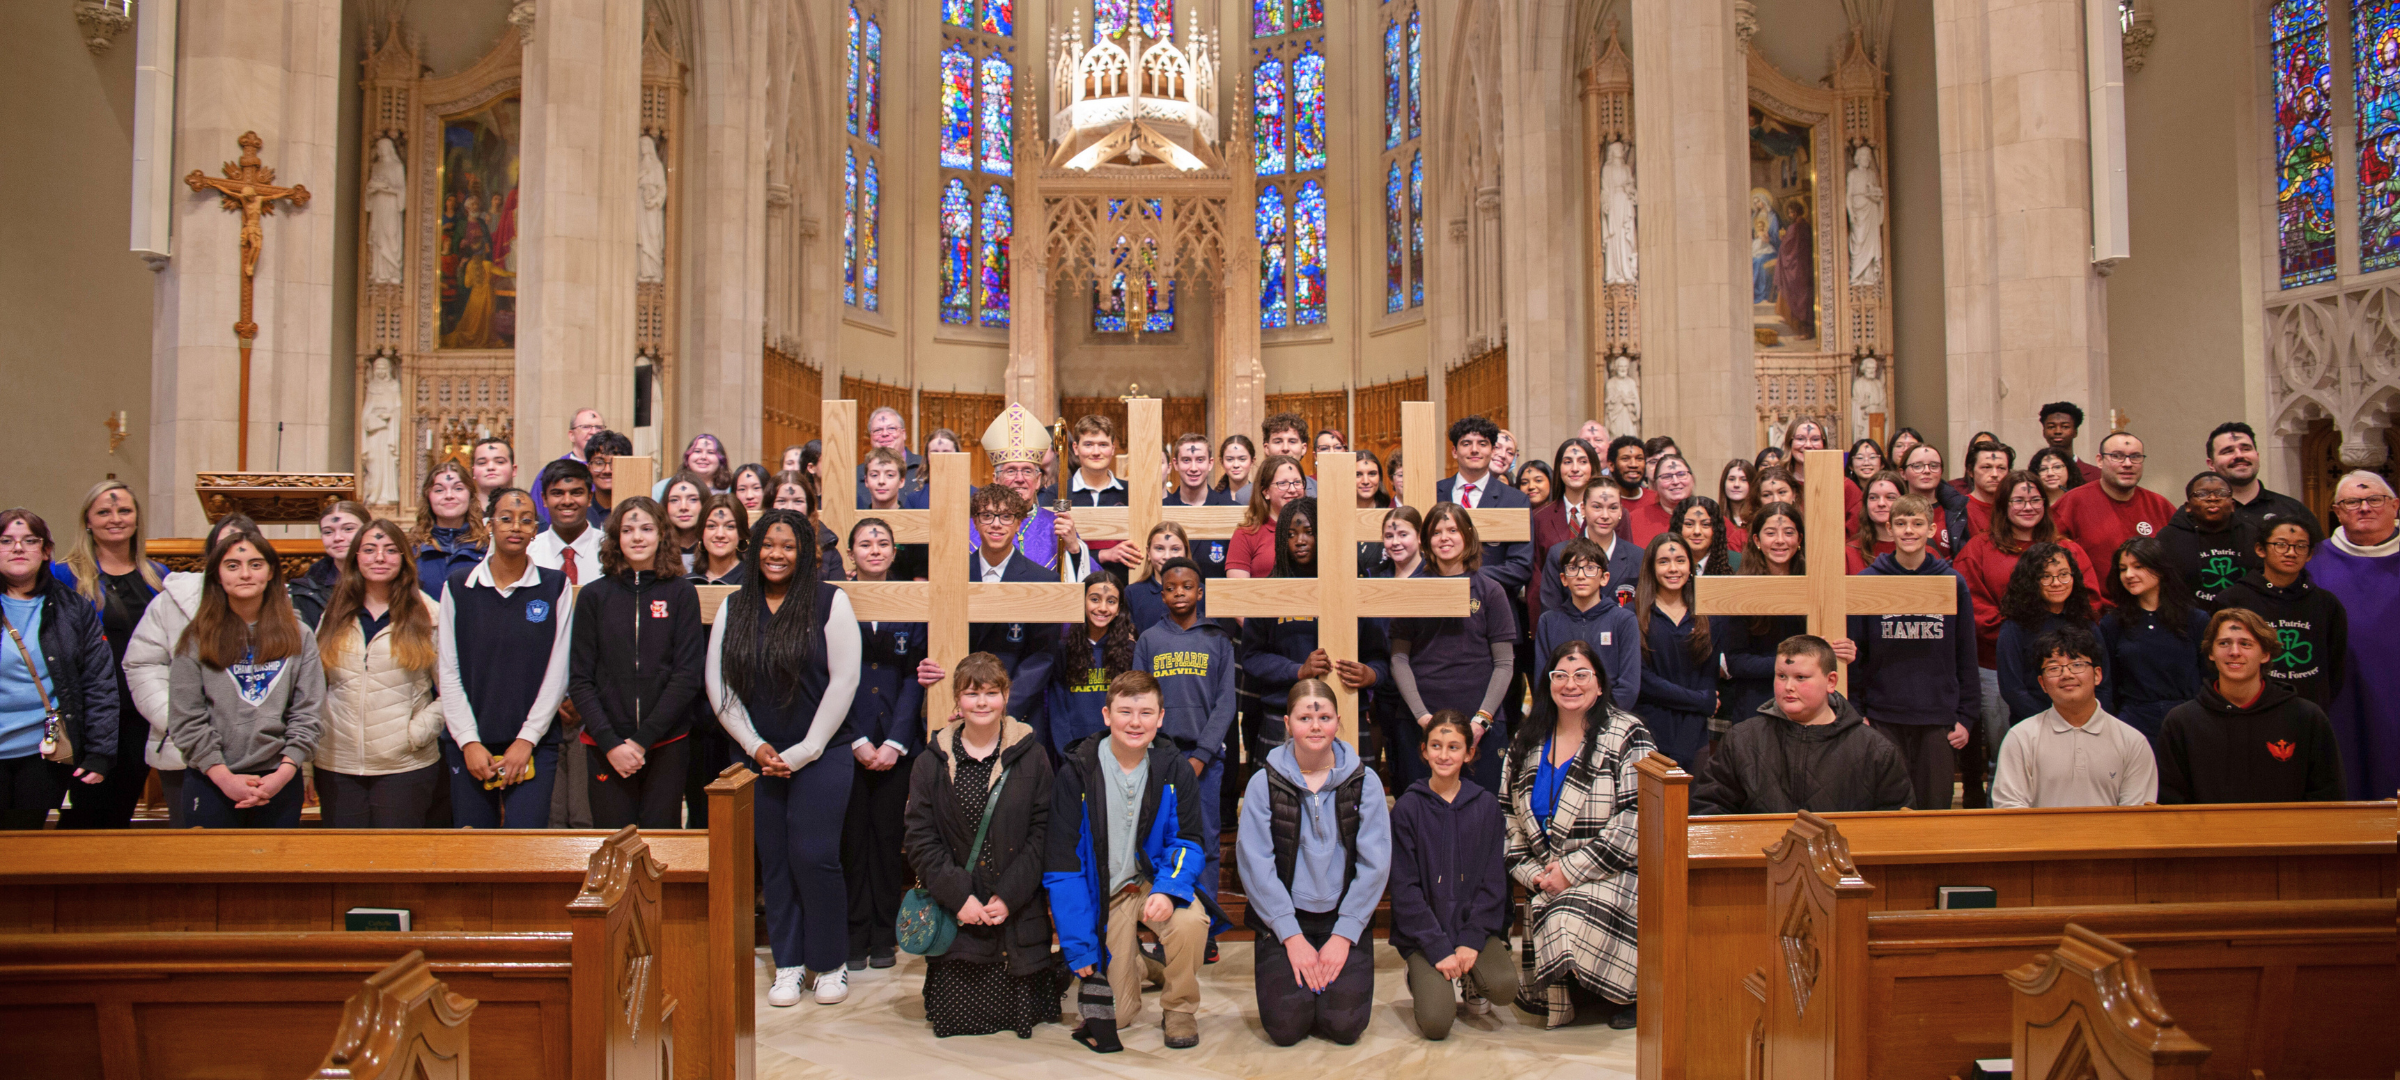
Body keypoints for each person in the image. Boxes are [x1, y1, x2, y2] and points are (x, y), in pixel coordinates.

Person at [709, 509, 865, 1005]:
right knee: (774, 860)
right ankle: (789, 963)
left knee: (814, 855)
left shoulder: (828, 602)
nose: (777, 555)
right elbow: (719, 686)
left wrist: (805, 750)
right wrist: (753, 745)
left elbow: (845, 681)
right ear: (754, 550)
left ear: (804, 554)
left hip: (822, 753)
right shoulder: (734, 607)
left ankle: (830, 963)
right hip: (757, 756)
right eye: (768, 545)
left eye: (788, 546)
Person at [1043, 671, 1218, 1053]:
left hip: (1151, 883)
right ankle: (1141, 964)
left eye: (1145, 712)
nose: (1135, 722)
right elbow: (1062, 867)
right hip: (1105, 896)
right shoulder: (1077, 772)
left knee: (1189, 922)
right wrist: (1079, 945)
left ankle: (1179, 1006)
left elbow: (1188, 840)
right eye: (1125, 711)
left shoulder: (1174, 769)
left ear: (1161, 718)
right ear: (1107, 715)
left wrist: (1170, 890)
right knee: (1117, 1016)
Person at [904, 652, 1059, 1037]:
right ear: (957, 700)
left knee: (1022, 1012)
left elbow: (1043, 833)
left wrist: (1008, 896)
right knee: (958, 1020)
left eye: (992, 692)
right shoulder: (931, 762)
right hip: (962, 909)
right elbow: (920, 838)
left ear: (1006, 696)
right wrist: (961, 898)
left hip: (1016, 908)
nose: (982, 702)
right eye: (972, 694)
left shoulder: (1033, 756)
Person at [1235, 678, 1391, 1047]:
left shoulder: (1364, 782)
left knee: (1344, 1028)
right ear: (1287, 723)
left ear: (1338, 721)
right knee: (1286, 1029)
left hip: (1343, 914)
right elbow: (1256, 863)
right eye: (1305, 717)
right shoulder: (1263, 782)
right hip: (1285, 916)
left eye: (1324, 717)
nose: (1316, 726)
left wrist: (1345, 934)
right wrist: (1291, 936)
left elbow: (1375, 863)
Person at [1504, 641, 1651, 1029]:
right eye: (1561, 675)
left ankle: (1628, 991)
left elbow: (1637, 817)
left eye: (1582, 675)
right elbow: (1508, 819)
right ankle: (1583, 986)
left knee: (1565, 911)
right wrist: (1532, 873)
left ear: (1600, 685)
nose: (1571, 684)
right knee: (1553, 903)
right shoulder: (1526, 739)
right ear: (1547, 683)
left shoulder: (1627, 733)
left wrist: (1571, 870)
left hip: (1612, 870)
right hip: (1545, 874)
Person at [1953, 470, 2101, 805]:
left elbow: (2089, 602)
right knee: (2009, 753)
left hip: (2068, 667)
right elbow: (1971, 604)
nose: (2028, 507)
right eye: (2018, 500)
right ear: (2003, 506)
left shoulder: (2068, 549)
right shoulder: (1979, 548)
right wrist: (2017, 626)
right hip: (1999, 665)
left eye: (2035, 499)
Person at [169, 521, 321, 828]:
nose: (245, 574)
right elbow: (186, 718)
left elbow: (308, 712)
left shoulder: (299, 635)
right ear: (216, 575)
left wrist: (283, 774)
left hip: (279, 778)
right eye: (233, 565)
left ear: (271, 573)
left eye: (255, 564)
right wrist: (224, 778)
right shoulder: (196, 638)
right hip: (212, 778)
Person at [568, 496, 706, 830]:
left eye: (646, 528)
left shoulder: (681, 594)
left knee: (661, 843)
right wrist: (612, 743)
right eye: (628, 530)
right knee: (615, 846)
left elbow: (687, 676)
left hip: (665, 743)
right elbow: (580, 679)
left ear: (662, 535)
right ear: (616, 538)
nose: (637, 537)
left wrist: (643, 739)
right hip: (606, 745)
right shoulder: (594, 596)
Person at [436, 488, 571, 828]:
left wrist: (526, 739)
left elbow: (559, 669)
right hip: (470, 742)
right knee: (472, 853)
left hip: (533, 743)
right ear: (488, 525)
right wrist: (468, 741)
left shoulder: (554, 586)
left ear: (536, 530)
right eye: (506, 519)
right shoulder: (458, 586)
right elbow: (448, 671)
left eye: (526, 521)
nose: (516, 527)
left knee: (526, 850)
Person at [1390, 711, 1517, 1040]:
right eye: (1436, 745)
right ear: (1423, 751)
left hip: (1470, 927)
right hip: (1425, 935)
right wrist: (1437, 947)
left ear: (1469, 753)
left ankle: (1473, 976)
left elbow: (1493, 884)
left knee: (1503, 988)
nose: (1443, 755)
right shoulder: (1407, 808)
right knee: (1436, 1024)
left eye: (1453, 747)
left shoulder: (1486, 805)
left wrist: (1471, 941)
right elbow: (1405, 890)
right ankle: (1419, 974)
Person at [1847, 495, 1979, 810]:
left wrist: (1966, 717)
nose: (1909, 531)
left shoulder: (1952, 582)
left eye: (1917, 523)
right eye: (1901, 524)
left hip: (1937, 716)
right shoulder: (1868, 582)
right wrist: (1856, 712)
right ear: (1889, 530)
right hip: (1882, 716)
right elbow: (1856, 656)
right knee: (1886, 809)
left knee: (1934, 811)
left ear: (1932, 529)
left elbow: (1966, 654)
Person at [313, 519, 443, 828]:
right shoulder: (334, 614)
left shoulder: (429, 615)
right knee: (345, 867)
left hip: (404, 765)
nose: (380, 557)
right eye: (369, 550)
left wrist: (415, 733)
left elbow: (451, 688)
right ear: (356, 557)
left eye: (390, 550)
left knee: (397, 865)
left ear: (404, 558)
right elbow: (314, 689)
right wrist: (307, 764)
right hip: (337, 764)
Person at [1690, 635, 1912, 815]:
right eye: (1781, 676)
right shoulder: (1742, 740)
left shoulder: (1874, 749)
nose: (1788, 687)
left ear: (1831, 681)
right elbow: (1711, 808)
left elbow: (1896, 822)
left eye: (1801, 677)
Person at [124, 513, 250, 827]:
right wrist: (179, 721)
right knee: (192, 853)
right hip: (184, 750)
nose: (233, 557)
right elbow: (143, 664)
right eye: (225, 549)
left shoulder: (278, 606)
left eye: (244, 549)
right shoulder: (172, 602)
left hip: (254, 753)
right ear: (210, 554)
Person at [838, 516, 925, 971]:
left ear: (894, 552)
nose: (874, 549)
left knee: (889, 839)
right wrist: (854, 738)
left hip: (896, 742)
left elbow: (915, 674)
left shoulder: (911, 599)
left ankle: (883, 934)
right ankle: (854, 934)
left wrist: (895, 740)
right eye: (865, 543)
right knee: (851, 841)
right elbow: (830, 676)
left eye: (883, 542)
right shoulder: (835, 599)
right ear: (851, 553)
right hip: (846, 741)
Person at [52, 480, 164, 828]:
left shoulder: (159, 577)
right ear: (87, 520)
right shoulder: (62, 575)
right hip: (86, 716)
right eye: (104, 511)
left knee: (119, 813)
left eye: (124, 510)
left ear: (136, 518)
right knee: (86, 815)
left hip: (139, 714)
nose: (115, 518)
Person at [1242, 500, 1389, 755]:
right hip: (1285, 715)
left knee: (1351, 795)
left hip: (1346, 713)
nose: (1300, 540)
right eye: (1290, 534)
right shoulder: (1269, 590)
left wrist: (1372, 675)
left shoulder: (1354, 584)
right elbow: (1252, 657)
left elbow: (1380, 656)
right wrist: (1298, 671)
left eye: (1309, 532)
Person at [2155, 607, 2345, 804]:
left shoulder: (2306, 717)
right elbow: (2171, 801)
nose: (2234, 652)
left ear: (2265, 654)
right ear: (2211, 652)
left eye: (2245, 644)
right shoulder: (2182, 722)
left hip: (2288, 834)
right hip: (2208, 834)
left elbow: (2327, 796)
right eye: (2224, 643)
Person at [1134, 557, 1237, 919]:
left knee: (1205, 839)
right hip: (1160, 757)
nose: (1179, 593)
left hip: (1204, 759)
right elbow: (1138, 699)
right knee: (1161, 838)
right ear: (1161, 595)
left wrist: (1201, 756)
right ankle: (1166, 919)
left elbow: (1226, 703)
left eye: (1187, 586)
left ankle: (1205, 922)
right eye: (1171, 588)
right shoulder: (1149, 639)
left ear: (1201, 591)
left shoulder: (1218, 638)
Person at [0, 510, 116, 829]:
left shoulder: (73, 608)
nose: (18, 548)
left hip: (43, 753)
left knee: (25, 848)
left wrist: (100, 751)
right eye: (6, 541)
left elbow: (99, 683)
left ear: (46, 551)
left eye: (29, 541)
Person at [1390, 505, 1518, 791]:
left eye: (1453, 530)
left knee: (1482, 810)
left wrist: (1481, 721)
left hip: (1479, 722)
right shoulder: (1411, 589)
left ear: (1468, 536)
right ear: (1425, 540)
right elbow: (1399, 658)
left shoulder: (1490, 590)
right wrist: (1422, 716)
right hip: (1420, 720)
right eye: (1436, 532)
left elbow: (1504, 664)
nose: (1444, 538)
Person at [1991, 625, 2157, 808]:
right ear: (2042, 683)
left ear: (2097, 675)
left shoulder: (2132, 741)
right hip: (2042, 837)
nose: (2066, 674)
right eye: (2054, 668)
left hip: (2110, 837)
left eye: (2077, 665)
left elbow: (2136, 816)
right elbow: (2010, 809)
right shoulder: (2021, 737)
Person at [2312, 470, 2398, 800]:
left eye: (2374, 499)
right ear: (2336, 511)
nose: (2364, 508)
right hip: (2339, 692)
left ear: (2395, 506)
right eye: (2351, 501)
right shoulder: (2312, 561)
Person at [2214, 520, 2348, 710]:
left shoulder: (2326, 603)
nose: (2291, 552)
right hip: (2249, 710)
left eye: (2300, 546)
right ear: (2260, 549)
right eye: (2281, 545)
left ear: (2309, 554)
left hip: (2308, 711)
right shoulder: (2233, 600)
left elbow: (2335, 665)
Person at [2100, 537, 2210, 741]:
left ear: (2159, 569)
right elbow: (2109, 682)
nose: (2128, 575)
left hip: (2188, 717)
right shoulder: (2113, 623)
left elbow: (2209, 675)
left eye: (2138, 566)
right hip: (2134, 720)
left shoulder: (2196, 619)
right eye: (2123, 569)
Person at [1629, 534, 1722, 768]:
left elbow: (1707, 678)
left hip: (1694, 732)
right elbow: (1644, 680)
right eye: (1663, 562)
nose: (1673, 568)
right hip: (1649, 730)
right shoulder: (1632, 614)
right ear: (1651, 567)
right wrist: (1702, 701)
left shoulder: (1707, 614)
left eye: (1680, 560)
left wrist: (1702, 703)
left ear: (1691, 566)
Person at [1995, 543, 2112, 724]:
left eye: (2064, 575)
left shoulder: (2087, 625)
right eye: (2045, 576)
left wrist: (2087, 721)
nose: (2056, 583)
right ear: (2030, 581)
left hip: (2088, 724)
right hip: (2034, 726)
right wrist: (2054, 723)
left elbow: (2103, 685)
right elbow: (2013, 690)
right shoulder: (2014, 629)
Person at [1535, 537, 1641, 711]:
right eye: (1573, 568)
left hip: (1610, 720)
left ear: (1604, 578)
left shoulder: (1624, 620)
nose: (1581, 575)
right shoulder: (1548, 622)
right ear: (1563, 578)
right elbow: (1543, 683)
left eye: (1590, 568)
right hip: (1562, 719)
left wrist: (1598, 719)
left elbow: (1628, 687)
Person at [2050, 432, 2176, 568]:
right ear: (2100, 461)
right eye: (2117, 456)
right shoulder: (2073, 502)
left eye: (2135, 456)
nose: (2128, 464)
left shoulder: (2159, 505)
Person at [1437, 416, 1535, 590]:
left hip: (1493, 602)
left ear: (1492, 450)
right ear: (1454, 451)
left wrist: (1467, 577)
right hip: (1440, 597)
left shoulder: (1515, 500)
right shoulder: (1434, 494)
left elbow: (1520, 566)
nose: (1474, 450)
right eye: (1466, 444)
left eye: (1482, 444)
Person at [1534, 477, 1642, 627]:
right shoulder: (1559, 553)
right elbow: (1550, 612)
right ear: (1583, 509)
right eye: (1597, 507)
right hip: (1570, 642)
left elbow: (1641, 614)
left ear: (1621, 511)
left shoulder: (1637, 557)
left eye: (1612, 508)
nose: (1605, 515)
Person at [1049, 572, 1136, 754]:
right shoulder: (1063, 649)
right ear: (1082, 601)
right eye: (1095, 599)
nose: (1102, 608)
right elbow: (1058, 710)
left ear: (1119, 608)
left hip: (1118, 751)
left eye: (1111, 601)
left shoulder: (1130, 650)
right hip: (1074, 752)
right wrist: (1067, 753)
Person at [2158, 471, 2260, 609]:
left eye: (2221, 493)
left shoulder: (2253, 535)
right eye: (2202, 494)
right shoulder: (2168, 538)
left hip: (2244, 618)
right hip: (2188, 621)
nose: (2213, 498)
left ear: (2233, 505)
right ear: (2187, 506)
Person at [2204, 422, 2314, 534]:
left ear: (2257, 456)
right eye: (2228, 451)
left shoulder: (2294, 511)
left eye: (2246, 449)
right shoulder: (2196, 514)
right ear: (2211, 464)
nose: (2239, 455)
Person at [1063, 415, 1138, 570]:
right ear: (1076, 448)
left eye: (1103, 444)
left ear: (1113, 448)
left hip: (1122, 583)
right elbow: (1051, 545)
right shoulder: (1059, 493)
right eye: (1088, 444)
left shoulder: (1131, 493)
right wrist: (1103, 555)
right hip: (1073, 583)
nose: (1096, 452)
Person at [409, 461, 487, 598]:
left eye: (458, 488)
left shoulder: (488, 547)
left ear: (470, 495)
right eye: (439, 490)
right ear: (428, 496)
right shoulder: (412, 549)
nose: (449, 495)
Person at [290, 500, 367, 628]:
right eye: (328, 532)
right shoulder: (307, 590)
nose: (337, 538)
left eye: (348, 529)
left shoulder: (384, 580)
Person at [1227, 454, 1305, 579]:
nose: (1292, 489)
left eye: (1297, 482)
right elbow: (1237, 592)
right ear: (1266, 492)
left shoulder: (1316, 530)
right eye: (1283, 483)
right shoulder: (1246, 534)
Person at [529, 460, 600, 585]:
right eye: (557, 493)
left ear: (589, 498)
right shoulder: (528, 553)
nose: (567, 501)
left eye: (576, 493)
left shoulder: (611, 549)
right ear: (544, 499)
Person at [1123, 522, 1200, 633]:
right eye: (1159, 548)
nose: (1167, 556)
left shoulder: (1199, 592)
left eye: (1175, 549)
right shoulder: (1132, 593)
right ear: (1148, 552)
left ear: (1186, 551)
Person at [1900, 443, 1970, 556]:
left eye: (1934, 466)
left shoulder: (1956, 511)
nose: (1927, 471)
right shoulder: (1893, 511)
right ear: (1902, 473)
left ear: (1941, 471)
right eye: (1917, 466)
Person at [1607, 436, 1664, 545]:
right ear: (1611, 465)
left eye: (1639, 458)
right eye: (1625, 458)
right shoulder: (1603, 503)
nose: (1633, 465)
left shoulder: (1658, 499)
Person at [1845, 471, 1904, 572]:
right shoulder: (1849, 553)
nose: (1881, 503)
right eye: (1873, 498)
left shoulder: (1923, 553)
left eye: (1890, 497)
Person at [688, 493, 750, 586]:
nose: (720, 534)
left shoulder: (754, 581)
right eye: (711, 526)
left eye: (730, 526)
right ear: (702, 532)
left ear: (741, 533)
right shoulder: (687, 583)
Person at [2038, 402, 2106, 486]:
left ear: (2075, 432)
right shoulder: (2035, 474)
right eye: (2051, 427)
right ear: (2044, 432)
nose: (2058, 431)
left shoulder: (2097, 475)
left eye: (2065, 427)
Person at [858, 405, 926, 488]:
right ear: (870, 436)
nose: (884, 433)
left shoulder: (926, 468)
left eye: (891, 428)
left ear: (903, 434)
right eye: (878, 430)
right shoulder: (856, 475)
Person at [1961, 441, 2015, 538]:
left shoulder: (2017, 508)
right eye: (1986, 467)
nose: (1995, 474)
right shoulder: (1959, 510)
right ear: (1970, 471)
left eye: (2001, 468)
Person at [653, 433, 732, 497]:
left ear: (721, 460)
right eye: (697, 451)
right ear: (687, 457)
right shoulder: (663, 488)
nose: (703, 457)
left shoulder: (731, 490)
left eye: (710, 452)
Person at [661, 471, 709, 576]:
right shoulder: (657, 548)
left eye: (692, 499)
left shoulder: (715, 547)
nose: (683, 507)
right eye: (674, 500)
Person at [1676, 498, 1739, 576]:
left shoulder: (1738, 563)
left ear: (1716, 529)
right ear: (1678, 527)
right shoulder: (1666, 564)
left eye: (1705, 525)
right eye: (1689, 524)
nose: (1697, 531)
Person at [1260, 413, 1318, 497]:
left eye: (1292, 441)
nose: (1285, 448)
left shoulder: (1318, 491)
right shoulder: (1246, 495)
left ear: (1303, 448)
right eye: (1278, 442)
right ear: (1266, 448)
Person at [582, 429, 633, 524]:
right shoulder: (581, 512)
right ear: (588, 468)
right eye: (599, 463)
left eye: (614, 463)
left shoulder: (638, 509)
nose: (607, 470)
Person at [1718, 458, 1760, 543]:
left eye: (1743, 480)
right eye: (1732, 479)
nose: (1736, 485)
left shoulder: (1759, 519)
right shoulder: (1716, 518)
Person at [469, 437, 518, 505]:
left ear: (514, 470)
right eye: (482, 463)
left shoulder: (528, 509)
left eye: (500, 462)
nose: (490, 467)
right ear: (473, 472)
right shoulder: (462, 512)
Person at [1216, 434, 1259, 503]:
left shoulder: (1260, 497)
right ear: (1222, 462)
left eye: (1242, 459)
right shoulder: (1214, 499)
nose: (1236, 465)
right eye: (1230, 459)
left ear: (1252, 461)